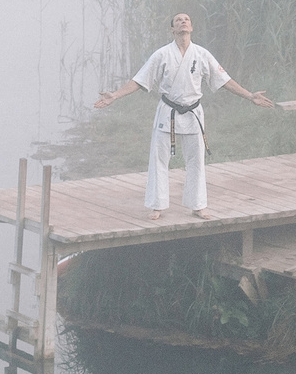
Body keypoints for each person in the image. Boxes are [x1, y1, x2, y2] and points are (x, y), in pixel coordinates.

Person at [92, 12, 273, 219]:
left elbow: (224, 80)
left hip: (193, 111)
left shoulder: (202, 54)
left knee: (196, 159)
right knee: (159, 159)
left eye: (186, 19)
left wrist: (250, 96)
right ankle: (157, 205)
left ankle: (198, 205)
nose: (183, 22)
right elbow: (140, 80)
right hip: (167, 111)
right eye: (178, 20)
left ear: (192, 27)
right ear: (172, 29)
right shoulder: (161, 54)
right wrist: (115, 95)